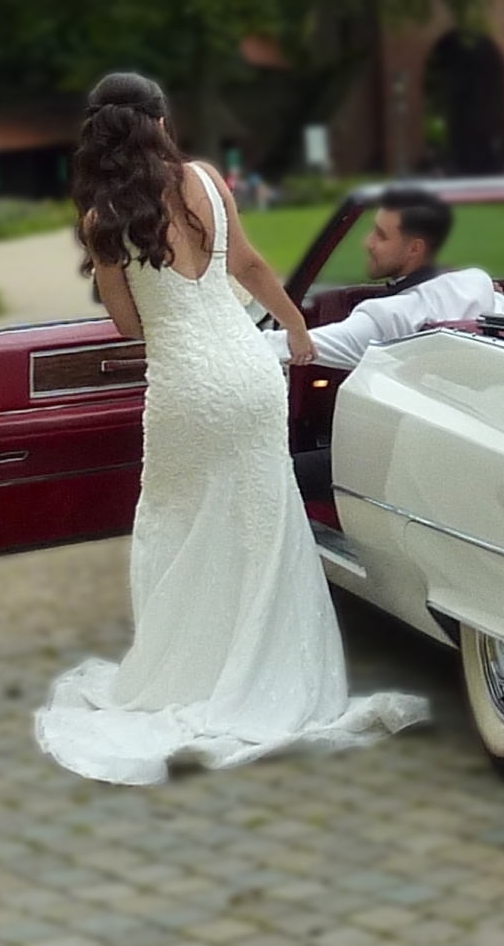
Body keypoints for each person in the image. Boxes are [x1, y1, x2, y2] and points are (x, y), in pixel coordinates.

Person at [36, 72, 426, 787]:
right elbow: (247, 264)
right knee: (261, 524)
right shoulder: (207, 180)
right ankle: (268, 675)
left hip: (186, 387)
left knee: (179, 524)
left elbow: (129, 326)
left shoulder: (102, 218)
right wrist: (297, 329)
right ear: (161, 121)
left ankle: (194, 671)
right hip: (250, 374)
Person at [274, 189, 504, 373]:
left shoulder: (389, 316)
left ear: (414, 249)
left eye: (380, 235)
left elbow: (295, 345)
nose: (367, 243)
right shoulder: (482, 288)